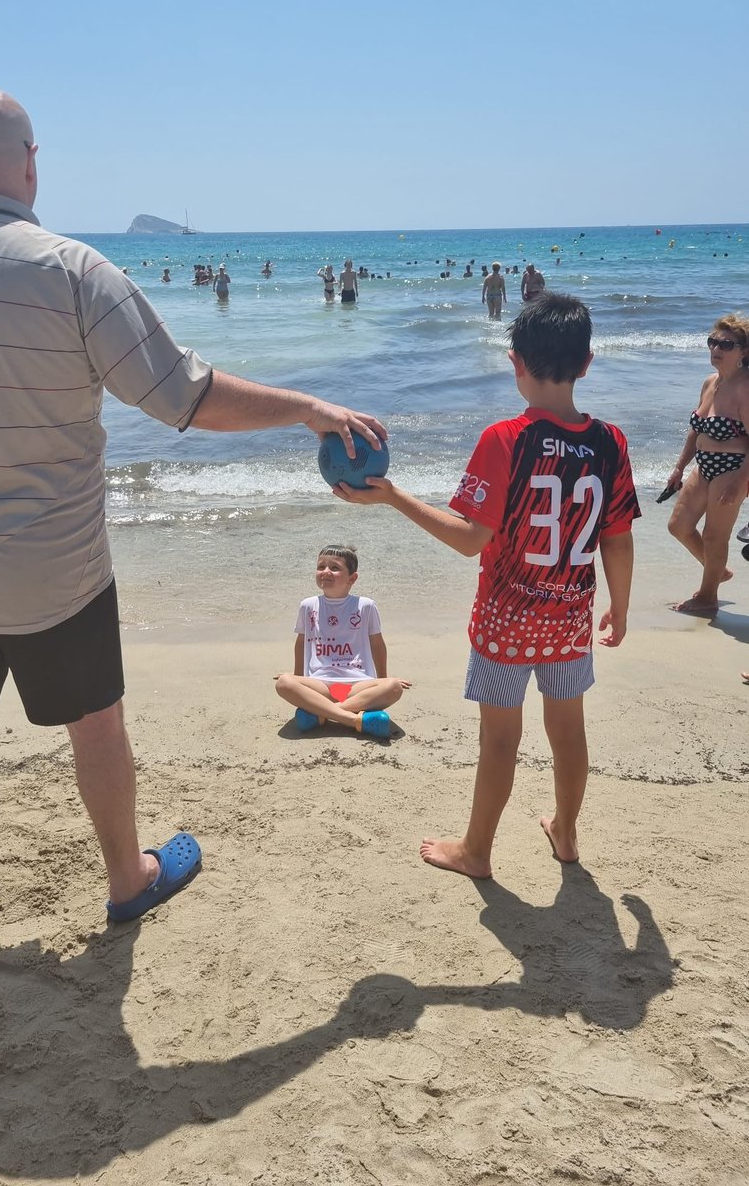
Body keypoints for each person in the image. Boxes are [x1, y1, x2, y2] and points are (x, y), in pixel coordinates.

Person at [0, 84, 387, 926]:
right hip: (59, 571)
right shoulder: (72, 270)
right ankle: (127, 883)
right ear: (30, 164)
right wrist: (307, 408)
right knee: (97, 727)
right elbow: (185, 397)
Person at [333, 294, 639, 879]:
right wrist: (619, 607)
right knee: (568, 728)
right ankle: (566, 832)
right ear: (588, 362)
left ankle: (476, 851)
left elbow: (472, 538)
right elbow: (617, 539)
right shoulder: (611, 442)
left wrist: (395, 496)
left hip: (508, 616)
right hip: (571, 614)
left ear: (515, 361)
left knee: (501, 737)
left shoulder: (506, 438)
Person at [274, 545, 409, 737]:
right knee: (284, 683)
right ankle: (354, 719)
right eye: (321, 567)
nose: (326, 571)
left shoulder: (365, 606)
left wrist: (383, 679)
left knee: (394, 687)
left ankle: (322, 714)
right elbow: (301, 642)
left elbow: (377, 644)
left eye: (335, 568)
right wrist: (298, 678)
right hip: (320, 684)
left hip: (358, 685)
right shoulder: (307, 605)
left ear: (352, 578)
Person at [665, 316, 749, 614]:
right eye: (712, 342)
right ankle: (717, 571)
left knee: (715, 536)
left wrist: (741, 481)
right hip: (703, 465)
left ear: (743, 352)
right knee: (678, 525)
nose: (716, 348)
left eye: (726, 344)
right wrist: (678, 467)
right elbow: (696, 430)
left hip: (734, 467)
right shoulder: (710, 382)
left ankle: (707, 597)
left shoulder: (745, 388)